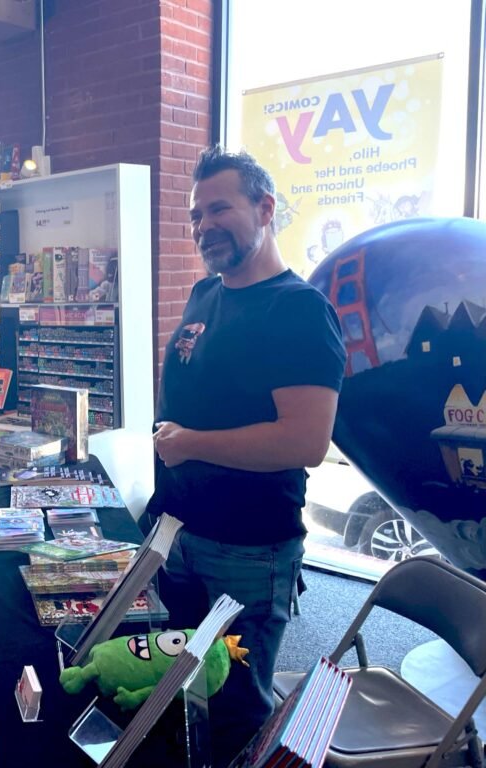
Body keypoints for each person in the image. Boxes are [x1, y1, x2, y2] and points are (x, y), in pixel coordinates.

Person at [144, 146, 346, 764]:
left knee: (236, 706)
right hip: (178, 532)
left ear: (264, 208)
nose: (204, 225)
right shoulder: (205, 293)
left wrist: (189, 444)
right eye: (195, 215)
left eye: (219, 209)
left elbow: (305, 441)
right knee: (183, 683)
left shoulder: (299, 310)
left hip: (248, 549)